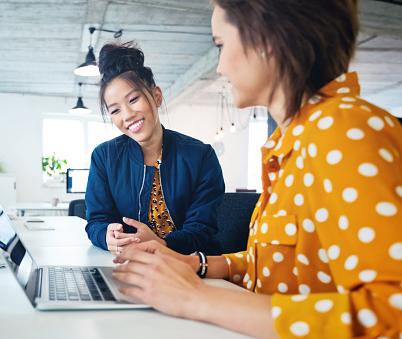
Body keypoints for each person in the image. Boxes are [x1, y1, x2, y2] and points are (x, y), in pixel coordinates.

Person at [111, 1, 402, 338]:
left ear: (266, 37)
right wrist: (195, 265)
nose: (219, 66)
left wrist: (197, 298)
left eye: (221, 45)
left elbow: (392, 311)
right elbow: (274, 267)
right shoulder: (297, 138)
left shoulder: (343, 129)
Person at [85, 41, 225, 256]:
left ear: (156, 95)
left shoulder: (201, 156)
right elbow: (96, 221)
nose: (127, 115)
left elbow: (202, 229)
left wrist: (162, 244)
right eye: (115, 110)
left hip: (190, 267)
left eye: (133, 99)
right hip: (131, 265)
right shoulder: (104, 157)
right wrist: (105, 235)